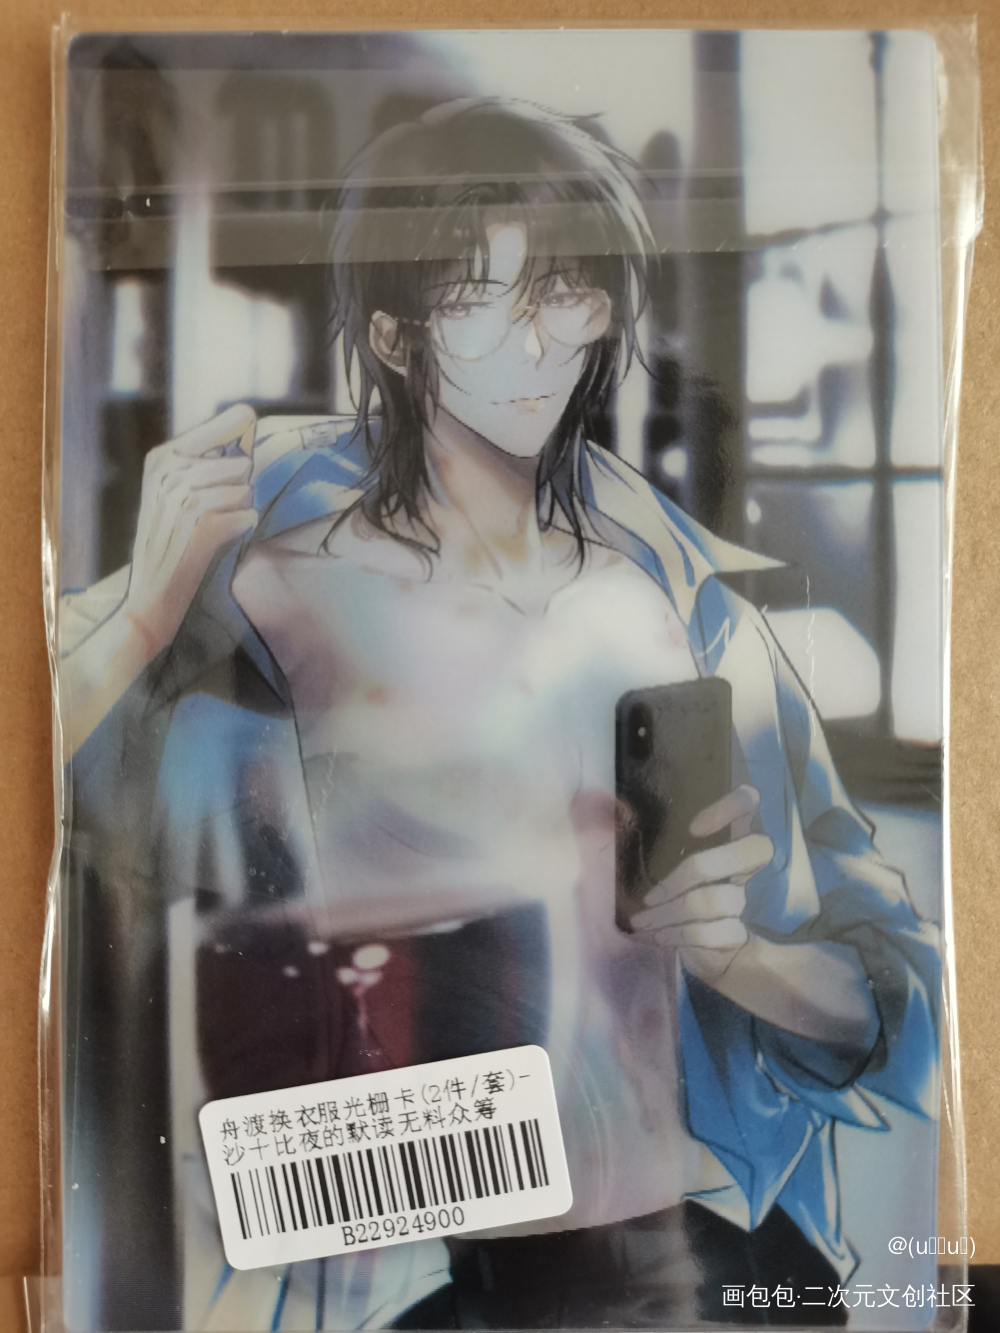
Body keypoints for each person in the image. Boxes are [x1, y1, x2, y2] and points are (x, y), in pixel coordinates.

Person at [59, 99, 940, 1330]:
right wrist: (143, 617)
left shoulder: (668, 607)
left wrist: (736, 956)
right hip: (419, 1271)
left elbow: (893, 1006)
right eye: (481, 295)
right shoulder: (269, 595)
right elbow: (61, 833)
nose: (537, 341)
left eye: (566, 291)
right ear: (393, 333)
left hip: (700, 1244)